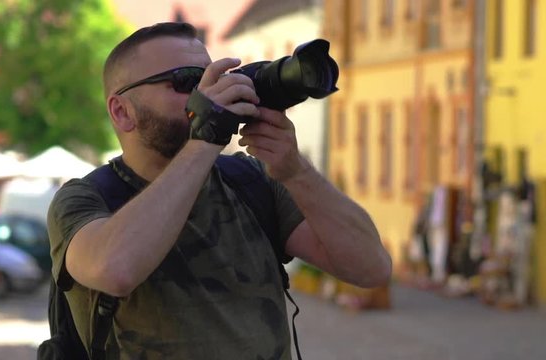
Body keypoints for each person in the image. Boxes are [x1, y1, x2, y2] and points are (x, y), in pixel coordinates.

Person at [47, 22, 392, 359]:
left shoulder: (251, 183)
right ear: (122, 112)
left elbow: (370, 268)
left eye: (212, 78)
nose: (208, 93)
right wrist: (206, 137)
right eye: (187, 82)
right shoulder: (84, 199)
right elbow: (117, 270)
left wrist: (296, 171)